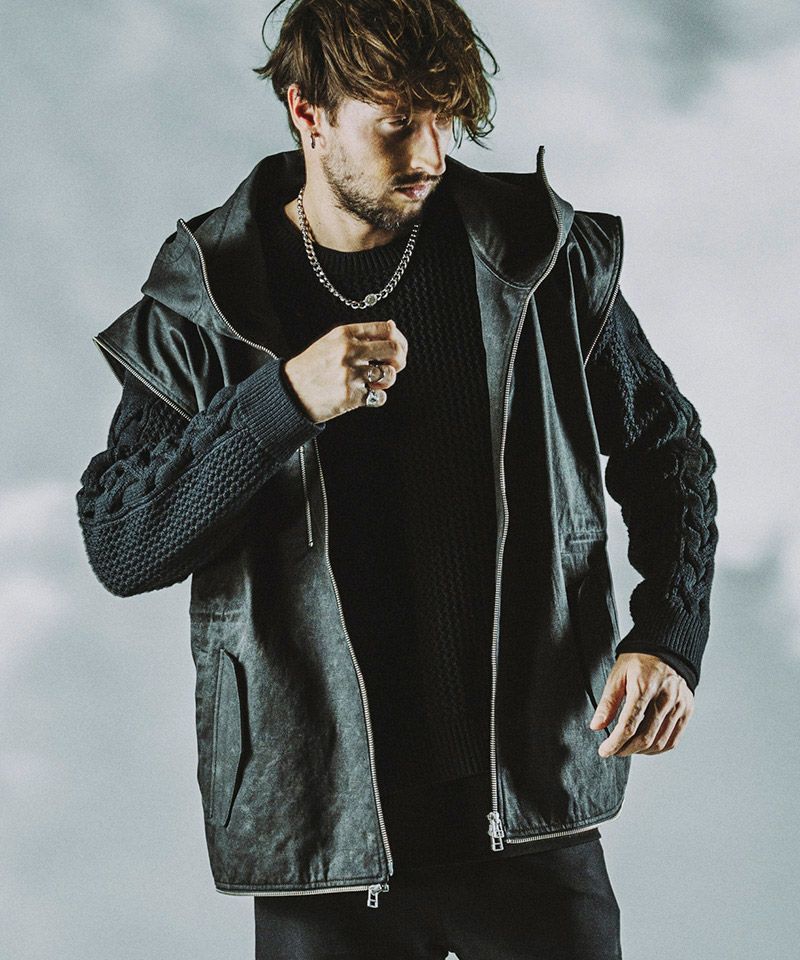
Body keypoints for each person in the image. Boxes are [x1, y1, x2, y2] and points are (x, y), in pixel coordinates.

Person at [75, 1, 719, 957]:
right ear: (308, 111)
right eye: (397, 123)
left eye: (445, 118)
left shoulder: (537, 252)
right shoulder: (207, 294)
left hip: (526, 816)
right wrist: (281, 401)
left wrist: (669, 634)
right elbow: (122, 543)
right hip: (324, 841)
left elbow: (669, 450)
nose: (429, 153)